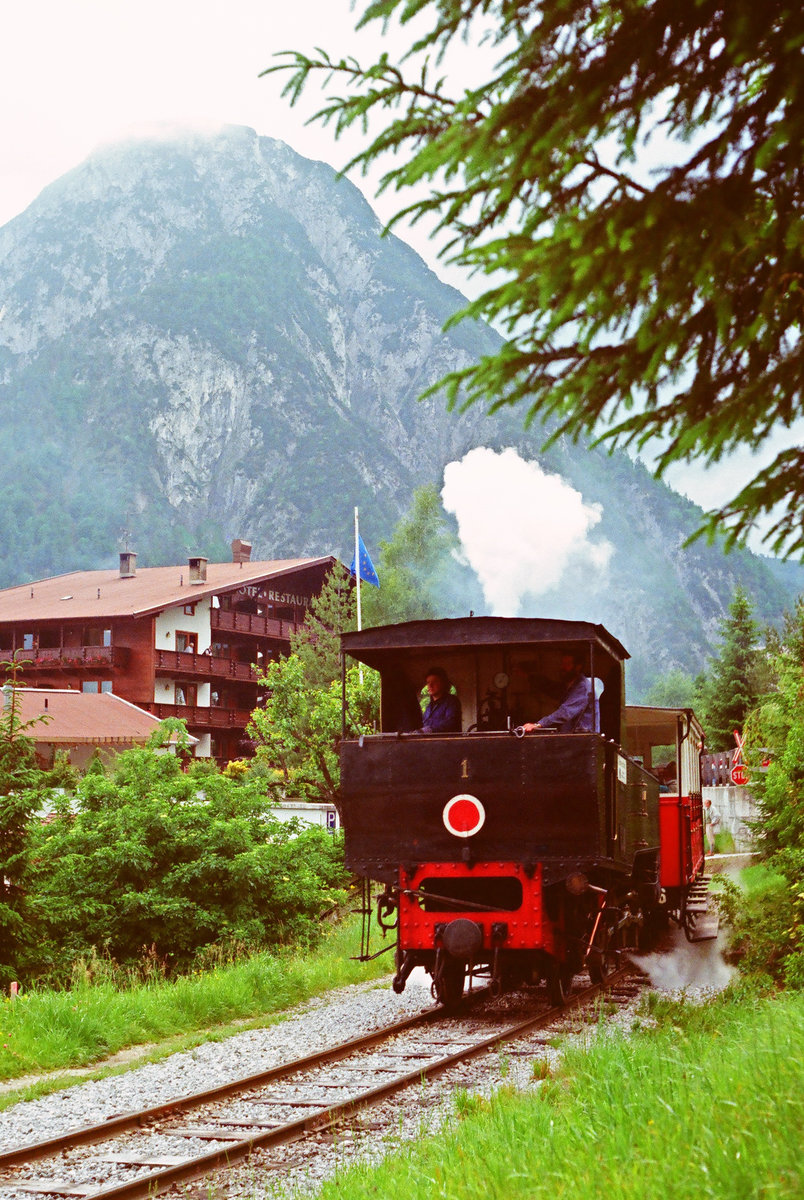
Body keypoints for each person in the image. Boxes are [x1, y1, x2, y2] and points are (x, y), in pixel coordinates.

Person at [520, 652, 598, 734]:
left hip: (583, 741)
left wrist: (538, 725)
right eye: (562, 664)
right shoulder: (570, 686)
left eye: (567, 664)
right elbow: (552, 689)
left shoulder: (583, 687)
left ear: (578, 667)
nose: (562, 667)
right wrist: (529, 676)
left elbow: (565, 712)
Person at [421, 667, 462, 733]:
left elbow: (450, 723)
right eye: (428, 682)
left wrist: (429, 730)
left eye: (434, 682)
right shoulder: (429, 706)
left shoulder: (452, 701)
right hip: (430, 742)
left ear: (443, 683)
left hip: (447, 742)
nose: (430, 685)